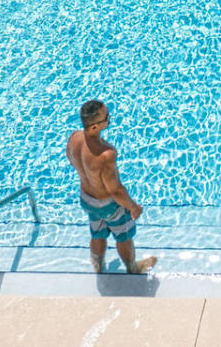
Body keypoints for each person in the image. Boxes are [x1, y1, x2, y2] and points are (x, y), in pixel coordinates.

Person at [65, 99, 157, 275]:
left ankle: (98, 267)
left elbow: (71, 159)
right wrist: (133, 207)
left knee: (97, 233)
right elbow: (116, 190)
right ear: (94, 127)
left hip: (87, 199)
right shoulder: (106, 155)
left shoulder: (74, 139)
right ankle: (132, 267)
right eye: (107, 117)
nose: (109, 119)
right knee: (123, 237)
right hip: (108, 204)